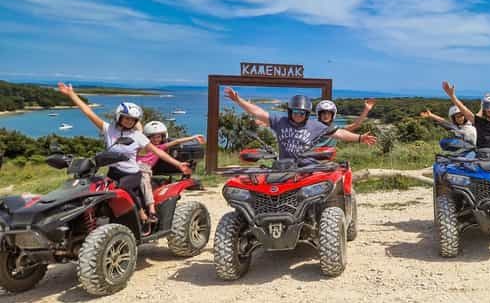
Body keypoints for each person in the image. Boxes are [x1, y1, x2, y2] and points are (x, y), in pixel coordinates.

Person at [57, 82, 191, 225]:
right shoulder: (109, 129)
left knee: (123, 188)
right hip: (113, 171)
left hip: (131, 173)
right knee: (95, 191)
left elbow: (158, 151)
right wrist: (71, 94)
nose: (129, 122)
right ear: (119, 117)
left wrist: (178, 164)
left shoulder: (137, 136)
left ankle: (142, 214)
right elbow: (89, 112)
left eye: (133, 120)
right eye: (127, 118)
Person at [224, 87, 377, 159]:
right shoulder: (280, 121)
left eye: (302, 113)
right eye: (296, 112)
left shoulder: (316, 126)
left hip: (308, 166)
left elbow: (340, 133)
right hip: (284, 166)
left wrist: (360, 138)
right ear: (290, 111)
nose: (298, 115)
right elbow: (257, 111)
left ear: (307, 114)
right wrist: (238, 100)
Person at [136, 121, 205, 223]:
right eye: (153, 137)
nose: (156, 139)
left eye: (158, 137)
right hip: (132, 167)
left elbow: (177, 142)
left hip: (144, 169)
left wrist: (193, 137)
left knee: (145, 182)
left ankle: (151, 210)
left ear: (163, 137)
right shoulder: (144, 146)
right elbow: (137, 134)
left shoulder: (161, 147)